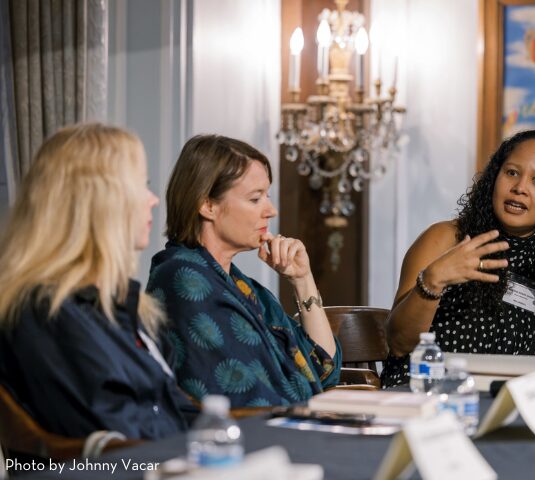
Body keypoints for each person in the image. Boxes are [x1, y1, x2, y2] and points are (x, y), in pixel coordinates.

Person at [0, 124, 192, 440]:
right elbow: (119, 443)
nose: (154, 200)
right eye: (141, 186)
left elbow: (175, 411)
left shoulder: (124, 308)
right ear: (102, 202)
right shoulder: (46, 314)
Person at [382, 130, 535, 388]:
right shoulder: (446, 239)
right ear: (495, 178)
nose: (520, 188)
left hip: (507, 402)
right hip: (431, 394)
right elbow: (399, 343)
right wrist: (433, 281)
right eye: (512, 173)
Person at [147, 134, 341, 407]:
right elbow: (243, 400)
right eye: (255, 199)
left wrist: (302, 280)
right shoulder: (182, 279)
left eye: (267, 196)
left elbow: (324, 369)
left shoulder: (241, 287)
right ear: (208, 205)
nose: (271, 210)